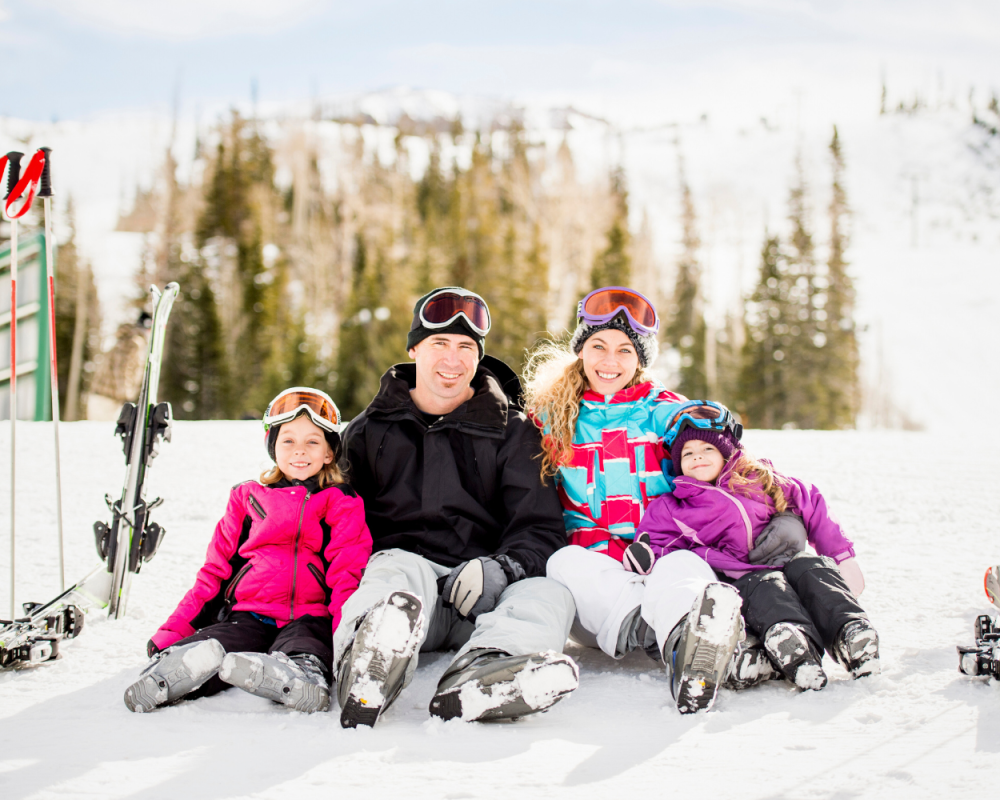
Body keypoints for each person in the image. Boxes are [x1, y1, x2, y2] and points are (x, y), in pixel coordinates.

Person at [527, 286, 785, 713]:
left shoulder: (664, 411)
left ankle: (690, 645)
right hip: (601, 585)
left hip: (661, 559)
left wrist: (781, 509)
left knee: (683, 564)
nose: (610, 361)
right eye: (598, 346)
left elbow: (718, 449)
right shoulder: (551, 417)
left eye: (625, 350)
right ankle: (680, 643)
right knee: (562, 564)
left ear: (640, 359)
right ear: (581, 350)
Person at [335, 287, 578, 728]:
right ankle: (368, 664)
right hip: (407, 599)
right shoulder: (369, 432)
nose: (453, 358)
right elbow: (337, 522)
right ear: (414, 349)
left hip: (481, 598)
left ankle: (485, 672)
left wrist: (502, 568)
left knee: (551, 593)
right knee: (395, 568)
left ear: (479, 355)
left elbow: (539, 528)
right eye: (439, 343)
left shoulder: (513, 432)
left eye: (466, 346)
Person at [123, 387, 372, 714]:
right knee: (215, 645)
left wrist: (346, 640)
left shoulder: (341, 502)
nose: (299, 450)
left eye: (312, 441)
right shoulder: (247, 497)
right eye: (288, 441)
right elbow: (214, 571)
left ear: (329, 453)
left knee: (308, 646)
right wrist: (174, 630)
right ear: (273, 448)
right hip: (249, 614)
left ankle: (299, 676)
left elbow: (347, 574)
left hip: (310, 617)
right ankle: (172, 674)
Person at [634, 400, 880, 689]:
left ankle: (851, 633)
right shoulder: (675, 505)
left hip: (790, 562)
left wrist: (841, 555)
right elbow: (657, 542)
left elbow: (811, 504)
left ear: (726, 451)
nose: (697, 456)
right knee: (766, 587)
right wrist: (644, 556)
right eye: (687, 453)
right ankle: (793, 646)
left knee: (812, 568)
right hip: (747, 578)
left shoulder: (760, 478)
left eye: (707, 448)